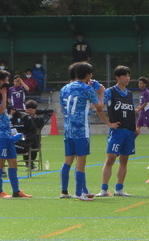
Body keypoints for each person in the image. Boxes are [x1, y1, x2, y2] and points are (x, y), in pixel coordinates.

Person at [59, 62, 110, 200]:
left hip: (68, 128)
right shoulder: (87, 89)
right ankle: (79, 192)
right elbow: (99, 106)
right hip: (81, 128)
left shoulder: (64, 88)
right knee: (81, 161)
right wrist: (101, 93)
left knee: (68, 160)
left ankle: (64, 191)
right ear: (88, 75)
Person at [0, 68, 32, 198]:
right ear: (0, 81)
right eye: (6, 80)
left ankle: (16, 190)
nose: (8, 82)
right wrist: (5, 95)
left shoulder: (1, 95)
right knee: (0, 162)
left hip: (7, 134)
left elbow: (6, 114)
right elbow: (0, 109)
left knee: (13, 161)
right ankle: (0, 192)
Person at [96, 65, 139, 197]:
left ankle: (119, 189)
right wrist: (109, 123)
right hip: (117, 131)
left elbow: (129, 111)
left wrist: (135, 126)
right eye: (124, 76)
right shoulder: (110, 91)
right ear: (118, 77)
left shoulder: (130, 93)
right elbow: (99, 107)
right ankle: (103, 189)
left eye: (128, 75)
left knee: (124, 159)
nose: (127, 78)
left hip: (129, 131)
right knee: (111, 158)